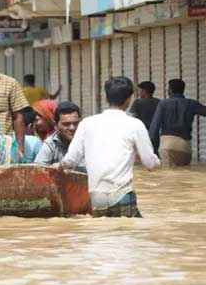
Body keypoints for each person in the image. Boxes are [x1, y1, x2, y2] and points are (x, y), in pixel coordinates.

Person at [57, 77, 159, 218]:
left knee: (101, 237)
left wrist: (58, 166)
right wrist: (155, 161)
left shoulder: (87, 123)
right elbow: (150, 164)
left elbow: (70, 161)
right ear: (129, 99)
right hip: (122, 195)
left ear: (106, 97)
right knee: (132, 235)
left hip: (96, 199)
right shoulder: (135, 125)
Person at [148, 78, 206, 166]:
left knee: (168, 177)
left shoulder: (163, 104)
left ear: (170, 90)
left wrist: (151, 148)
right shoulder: (191, 104)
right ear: (183, 90)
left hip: (166, 145)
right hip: (183, 146)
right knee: (183, 177)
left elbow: (154, 127)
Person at [34, 101, 82, 168]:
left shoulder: (88, 141)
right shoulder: (51, 144)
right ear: (56, 125)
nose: (72, 128)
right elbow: (38, 170)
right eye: (66, 124)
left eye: (76, 123)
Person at [128, 81, 161, 148]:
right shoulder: (159, 102)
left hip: (141, 135)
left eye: (140, 90)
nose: (138, 92)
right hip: (155, 136)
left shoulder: (137, 102)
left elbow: (132, 118)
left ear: (144, 91)